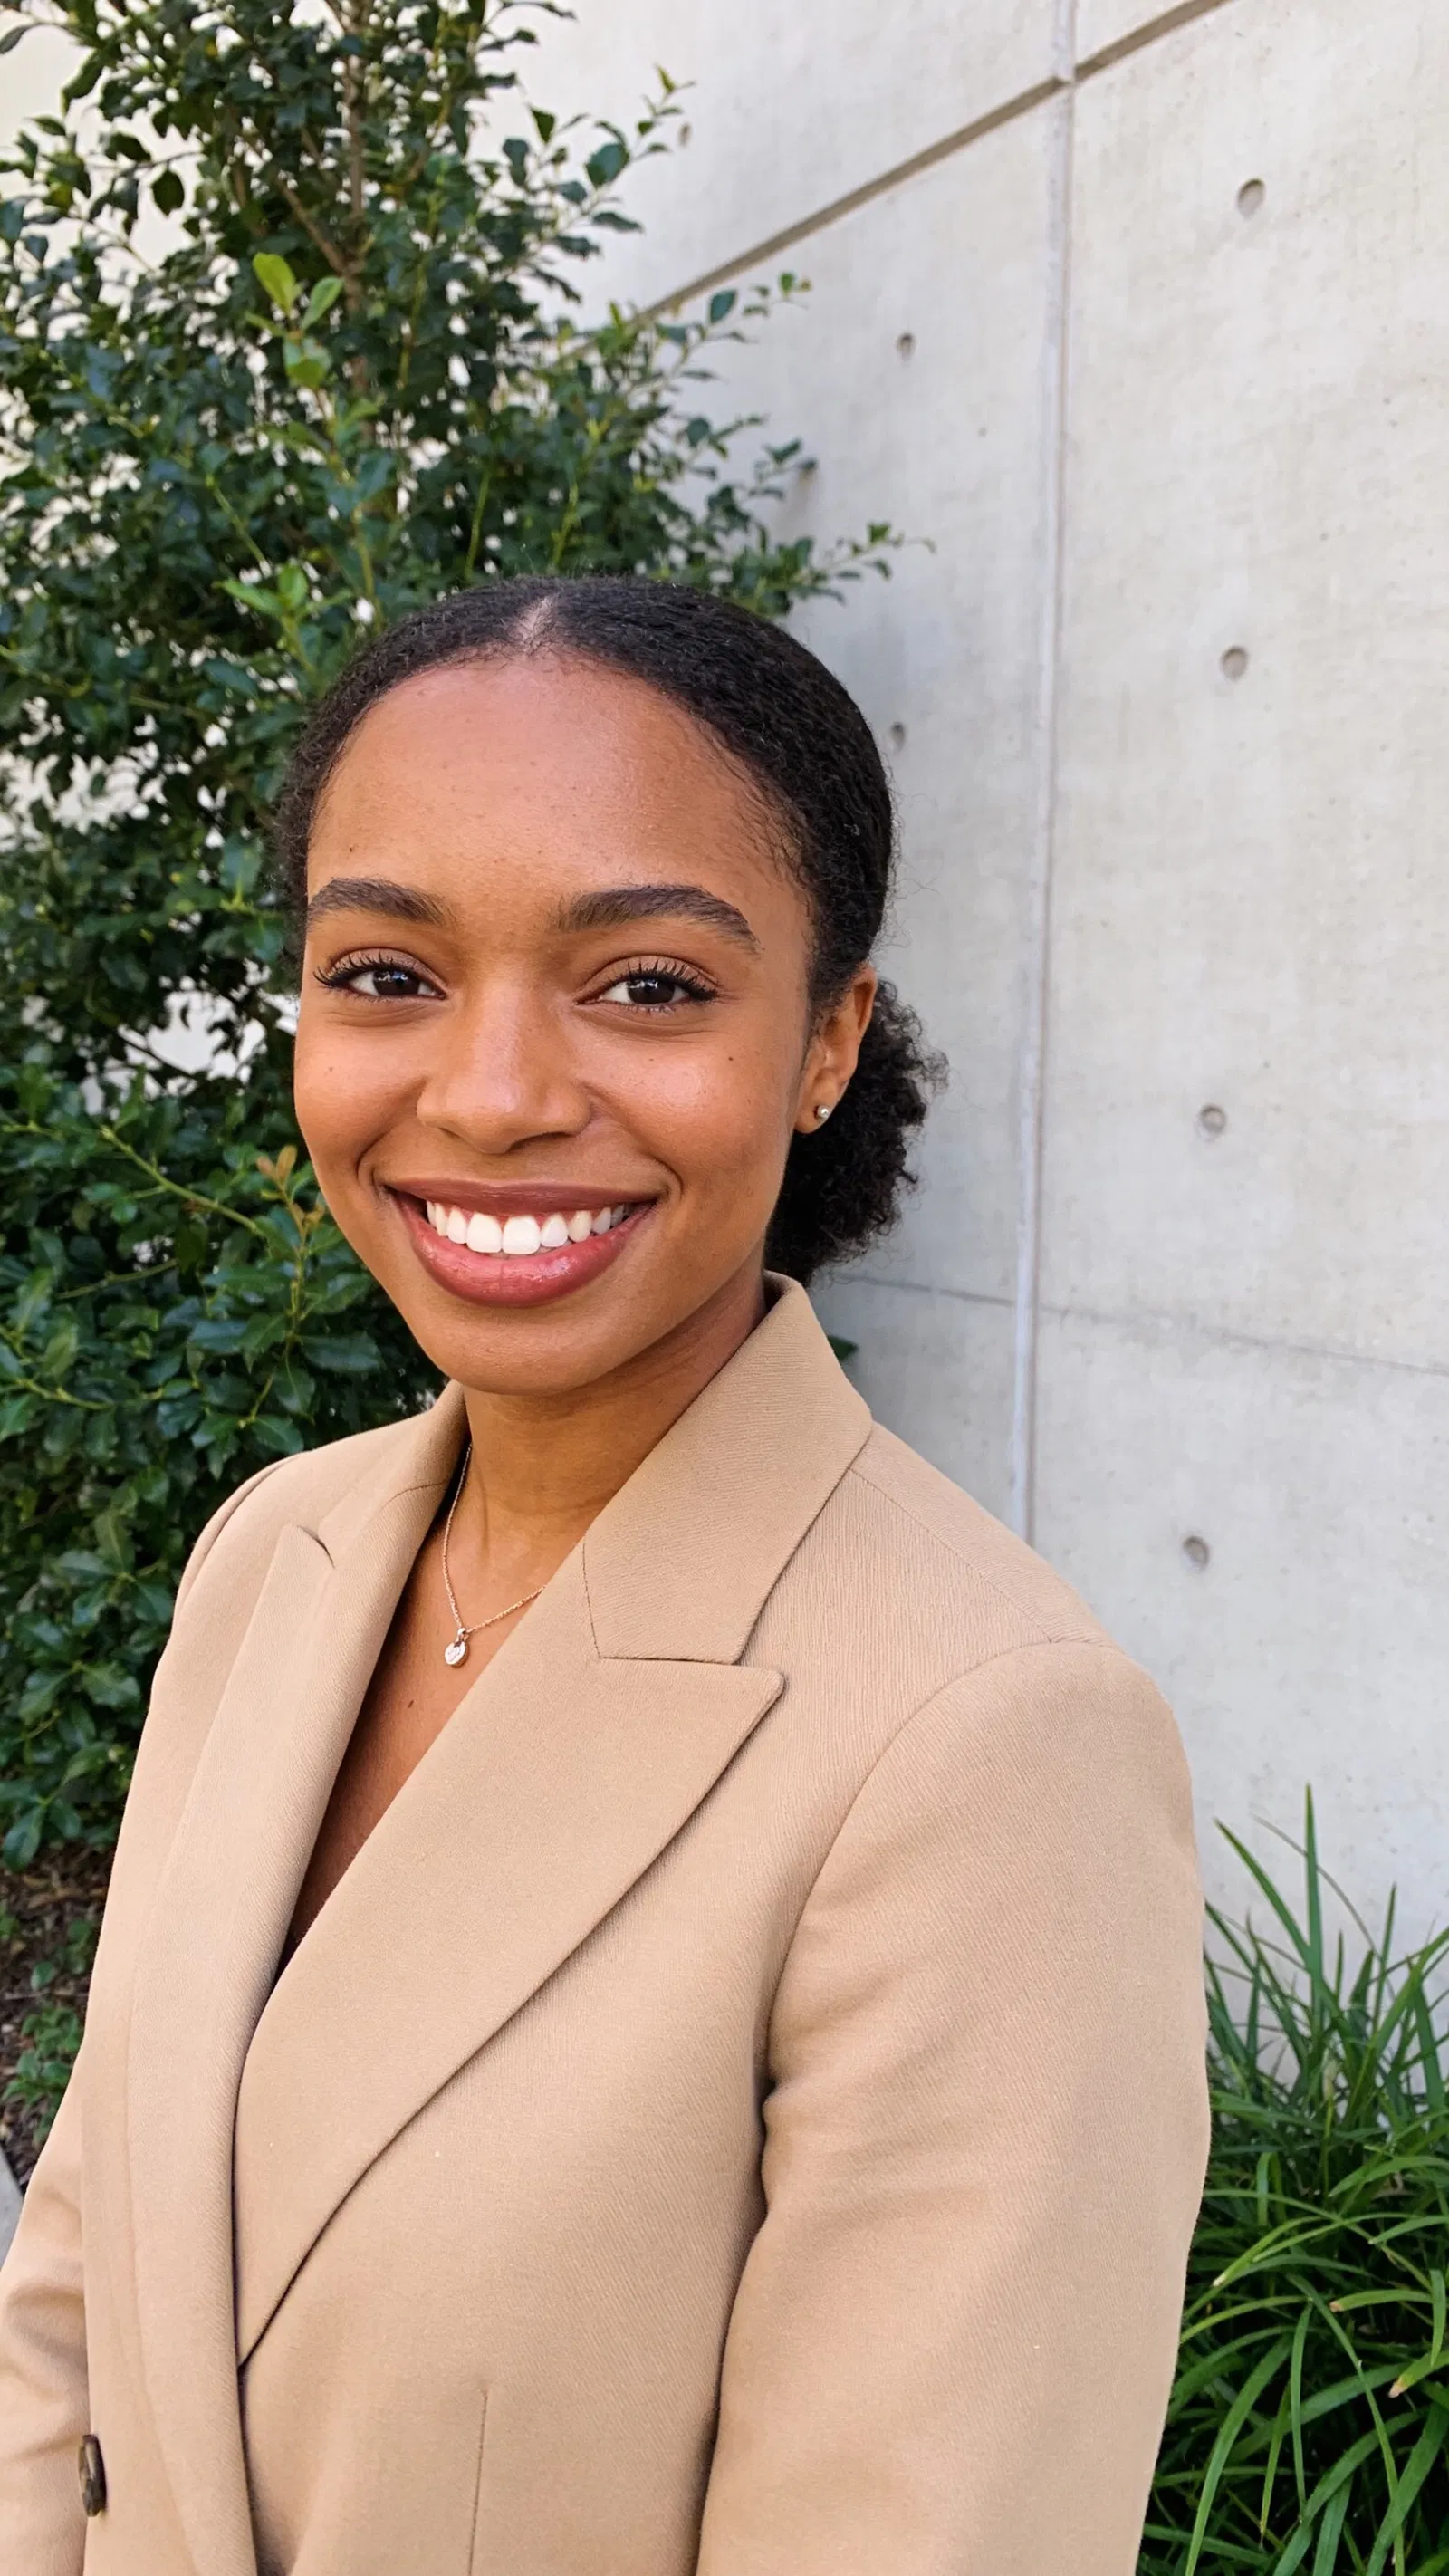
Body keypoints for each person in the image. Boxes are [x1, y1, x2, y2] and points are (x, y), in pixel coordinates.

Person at [0, 577, 1208, 2576]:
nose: (484, 1093)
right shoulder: (275, 1555)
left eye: (642, 985)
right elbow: (77, 2291)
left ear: (826, 1041)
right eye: (385, 973)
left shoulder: (987, 1750)